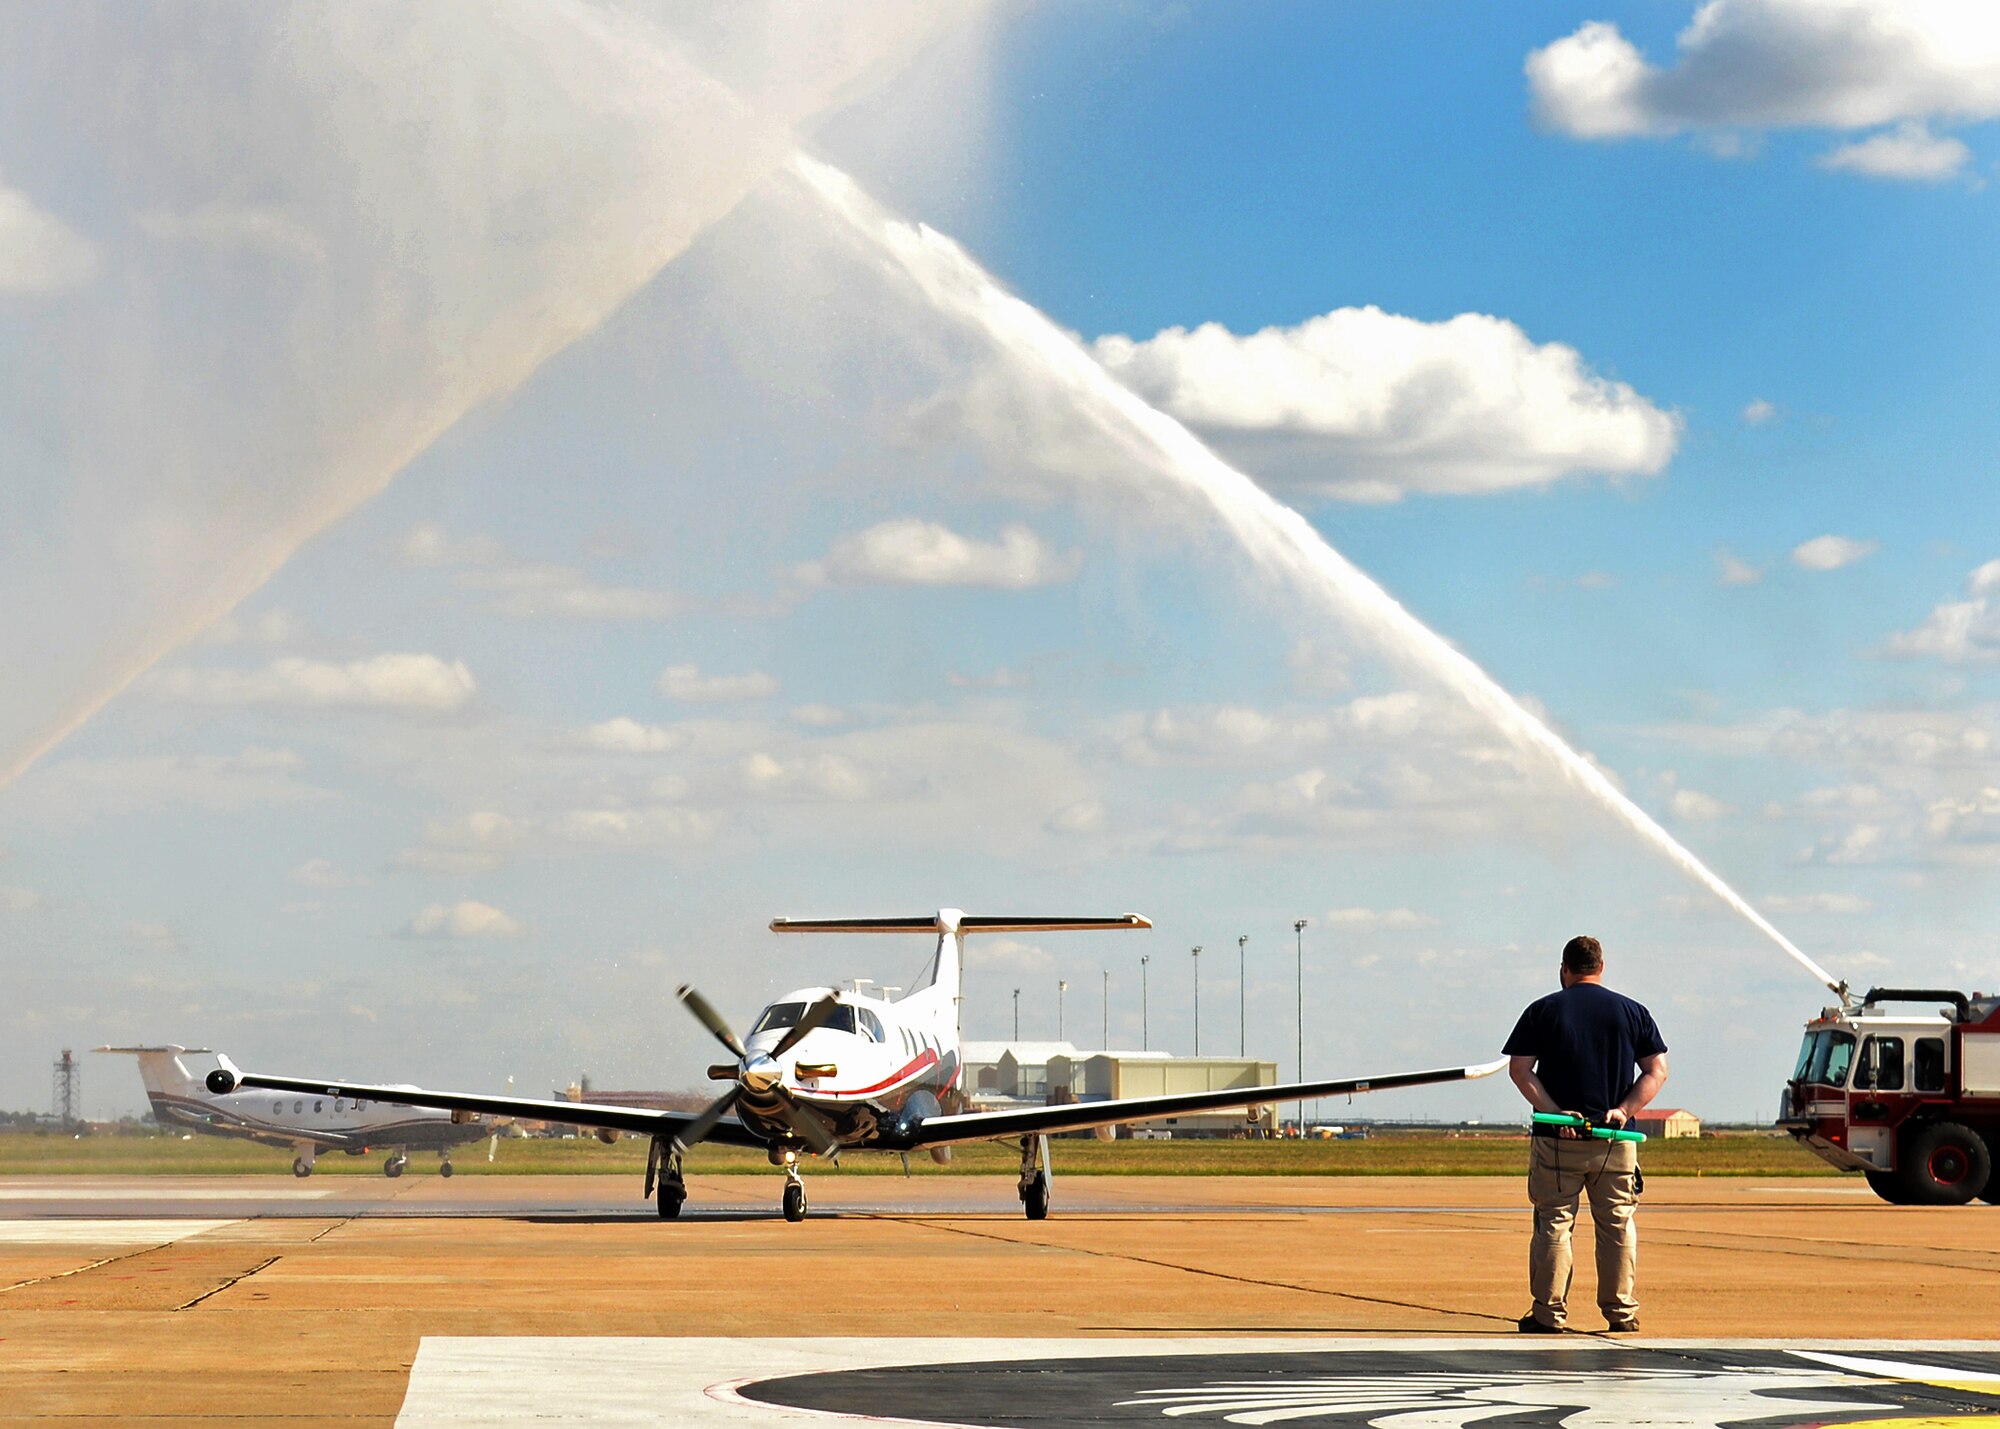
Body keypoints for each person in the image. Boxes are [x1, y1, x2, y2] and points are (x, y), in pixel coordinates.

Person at [1502, 934, 1668, 1334]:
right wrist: (1624, 1110)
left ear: (1564, 969)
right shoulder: (1632, 1012)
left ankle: (1549, 1313)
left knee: (1555, 1224)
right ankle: (1621, 1313)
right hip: (1616, 1140)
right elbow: (1656, 1071)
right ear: (1601, 967)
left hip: (1559, 1139)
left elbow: (1520, 1071)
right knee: (1617, 1225)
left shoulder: (1543, 1011)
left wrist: (1556, 1112)